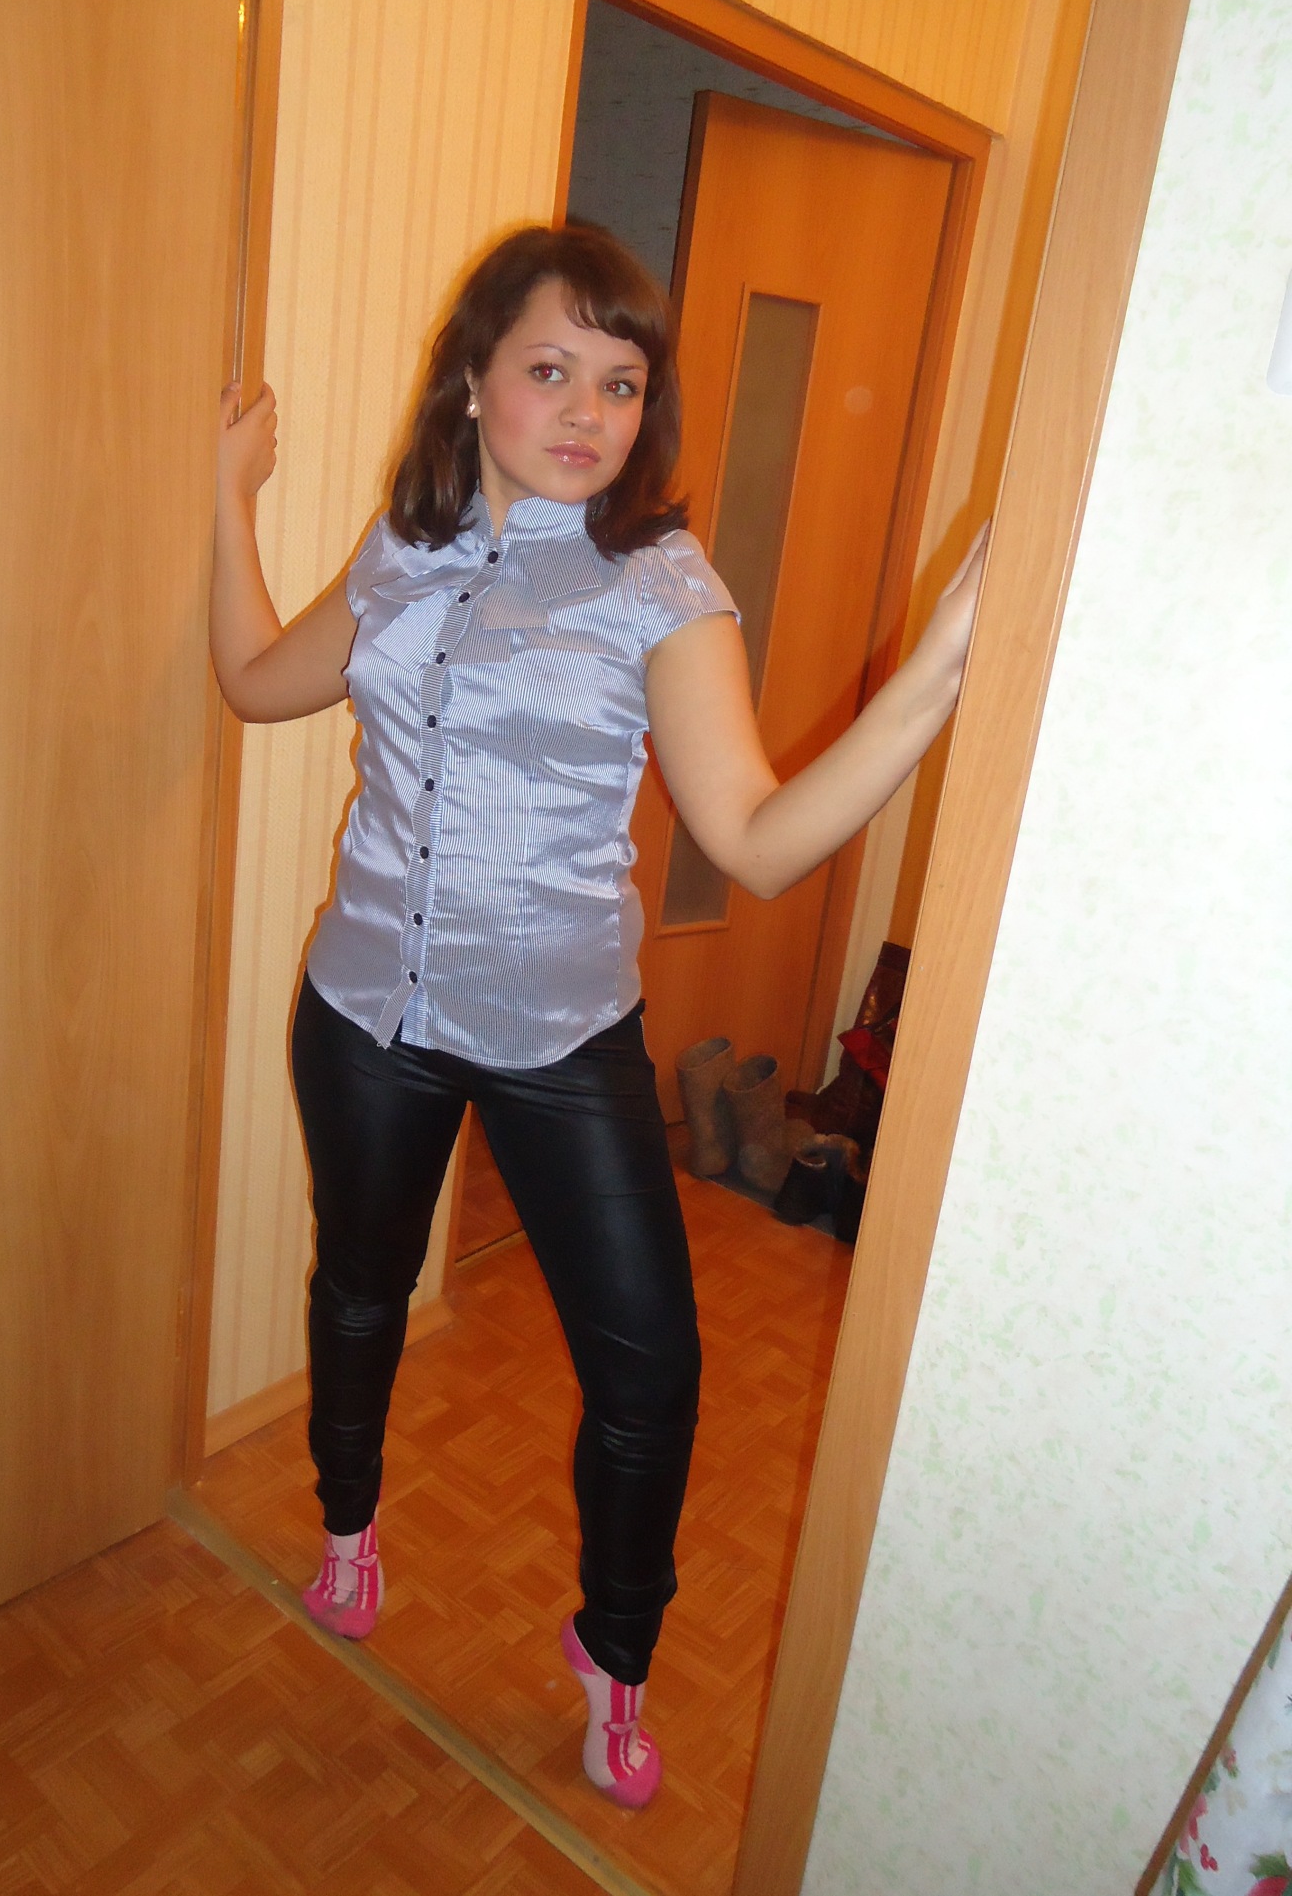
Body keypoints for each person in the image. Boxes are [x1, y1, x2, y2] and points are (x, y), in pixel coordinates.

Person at [211, 223, 984, 1810]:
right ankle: (350, 1526)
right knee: (359, 1288)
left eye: (621, 382)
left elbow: (755, 838)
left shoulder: (662, 586)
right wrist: (228, 498)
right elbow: (256, 681)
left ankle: (612, 1653)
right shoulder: (403, 546)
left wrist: (944, 666)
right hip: (365, 1010)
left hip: (562, 1035)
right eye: (552, 369)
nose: (587, 411)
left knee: (652, 1370)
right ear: (473, 380)